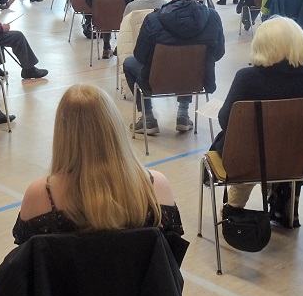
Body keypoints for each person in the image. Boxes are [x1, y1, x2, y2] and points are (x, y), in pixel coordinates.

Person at [13, 84, 184, 249]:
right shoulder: (155, 186)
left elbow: (29, 267)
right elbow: (168, 262)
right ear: (114, 129)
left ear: (62, 137)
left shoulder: (40, 194)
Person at [213, 16, 303, 226]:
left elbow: (225, 120)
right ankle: (285, 194)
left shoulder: (246, 78)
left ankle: (234, 207)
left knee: (245, 149)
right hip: (296, 158)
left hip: (245, 158)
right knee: (283, 145)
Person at [125, 0, 224, 135]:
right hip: (196, 79)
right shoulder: (212, 17)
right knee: (189, 64)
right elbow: (219, 53)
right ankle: (183, 114)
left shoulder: (153, 20)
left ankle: (148, 118)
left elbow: (140, 57)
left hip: (156, 80)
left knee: (129, 63)